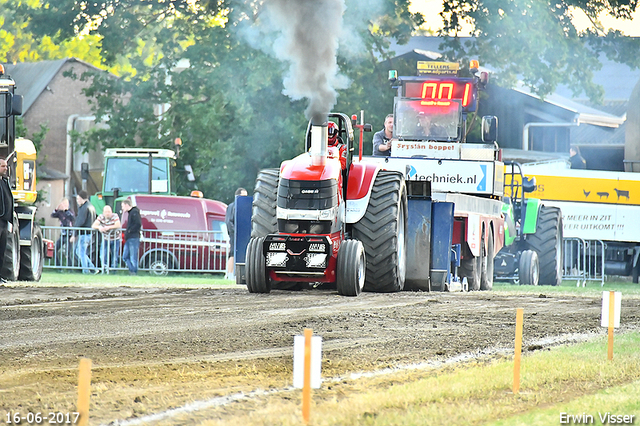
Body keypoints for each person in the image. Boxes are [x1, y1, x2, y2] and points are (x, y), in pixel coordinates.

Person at [71, 190, 97, 274]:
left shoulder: (84, 208)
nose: (77, 201)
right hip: (88, 234)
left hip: (84, 234)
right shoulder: (91, 206)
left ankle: (86, 270)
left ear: (82, 199)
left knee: (80, 252)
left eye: (78, 199)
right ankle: (92, 268)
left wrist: (74, 234)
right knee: (80, 252)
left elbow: (80, 221)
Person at [225, 187, 248, 280]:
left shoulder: (241, 208)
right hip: (235, 234)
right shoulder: (232, 206)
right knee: (233, 254)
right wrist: (234, 233)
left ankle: (232, 274)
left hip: (239, 234)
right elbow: (229, 221)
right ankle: (229, 274)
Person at [92, 205, 121, 273]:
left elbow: (118, 225)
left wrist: (109, 227)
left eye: (109, 212)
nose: (107, 213)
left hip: (115, 239)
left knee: (115, 256)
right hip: (105, 239)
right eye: (106, 212)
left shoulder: (115, 216)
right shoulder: (101, 217)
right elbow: (93, 225)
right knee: (103, 255)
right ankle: (104, 269)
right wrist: (99, 228)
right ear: (103, 212)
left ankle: (113, 271)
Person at [51, 197, 75, 266]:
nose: (64, 205)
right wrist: (57, 208)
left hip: (69, 234)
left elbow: (72, 218)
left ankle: (70, 268)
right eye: (63, 204)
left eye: (66, 204)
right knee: (55, 250)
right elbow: (53, 215)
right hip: (63, 234)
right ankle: (58, 266)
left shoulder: (70, 211)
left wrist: (66, 210)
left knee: (68, 253)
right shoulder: (60, 213)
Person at [0, 158, 13, 283]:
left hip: (4, 222)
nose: (6, 168)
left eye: (6, 166)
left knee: (2, 250)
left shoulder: (4, 182)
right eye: (3, 166)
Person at [121, 198, 141, 275]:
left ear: (127, 205)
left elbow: (138, 224)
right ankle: (132, 270)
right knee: (125, 257)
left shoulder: (134, 212)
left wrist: (129, 231)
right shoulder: (131, 213)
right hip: (129, 237)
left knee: (133, 257)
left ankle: (133, 271)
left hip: (133, 237)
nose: (122, 208)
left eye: (123, 206)